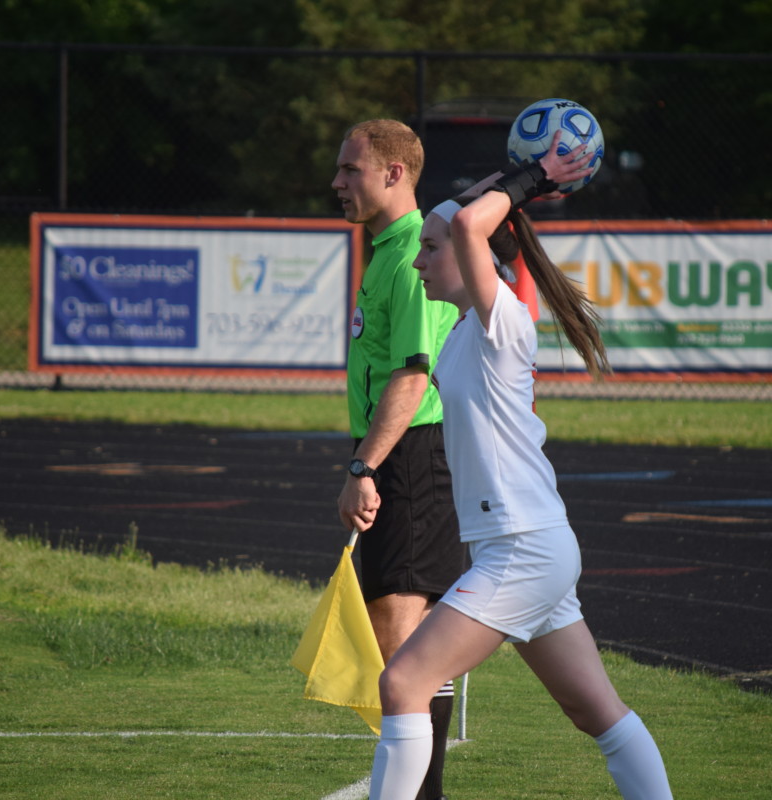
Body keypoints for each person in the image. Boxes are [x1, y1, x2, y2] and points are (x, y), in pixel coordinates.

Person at [366, 135, 675, 800]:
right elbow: (470, 216)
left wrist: (540, 173)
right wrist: (510, 179)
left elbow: (475, 221)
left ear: (477, 254)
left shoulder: (501, 318)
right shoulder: (464, 329)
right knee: (598, 714)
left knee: (402, 681)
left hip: (521, 548)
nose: (418, 259)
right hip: (525, 544)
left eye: (430, 247)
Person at [331, 119, 465, 800]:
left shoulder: (414, 248)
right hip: (397, 455)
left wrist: (365, 468)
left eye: (350, 169)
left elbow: (413, 377)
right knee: (406, 653)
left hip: (410, 458)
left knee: (403, 650)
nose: (337, 182)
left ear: (393, 173)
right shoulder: (388, 248)